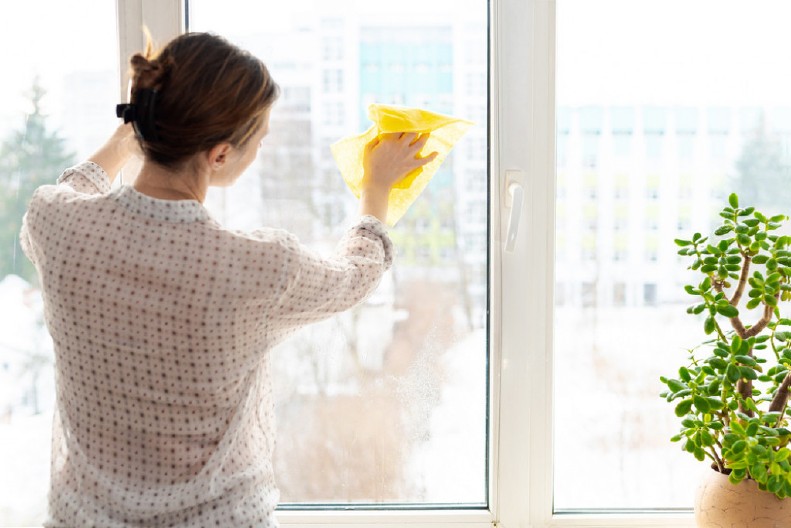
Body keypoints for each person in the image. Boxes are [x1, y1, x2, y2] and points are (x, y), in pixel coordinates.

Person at [20, 32, 437, 527]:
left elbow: (75, 186)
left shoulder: (56, 225)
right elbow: (356, 275)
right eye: (258, 139)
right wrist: (376, 186)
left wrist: (129, 137)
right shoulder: (256, 268)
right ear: (219, 156)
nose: (260, 147)